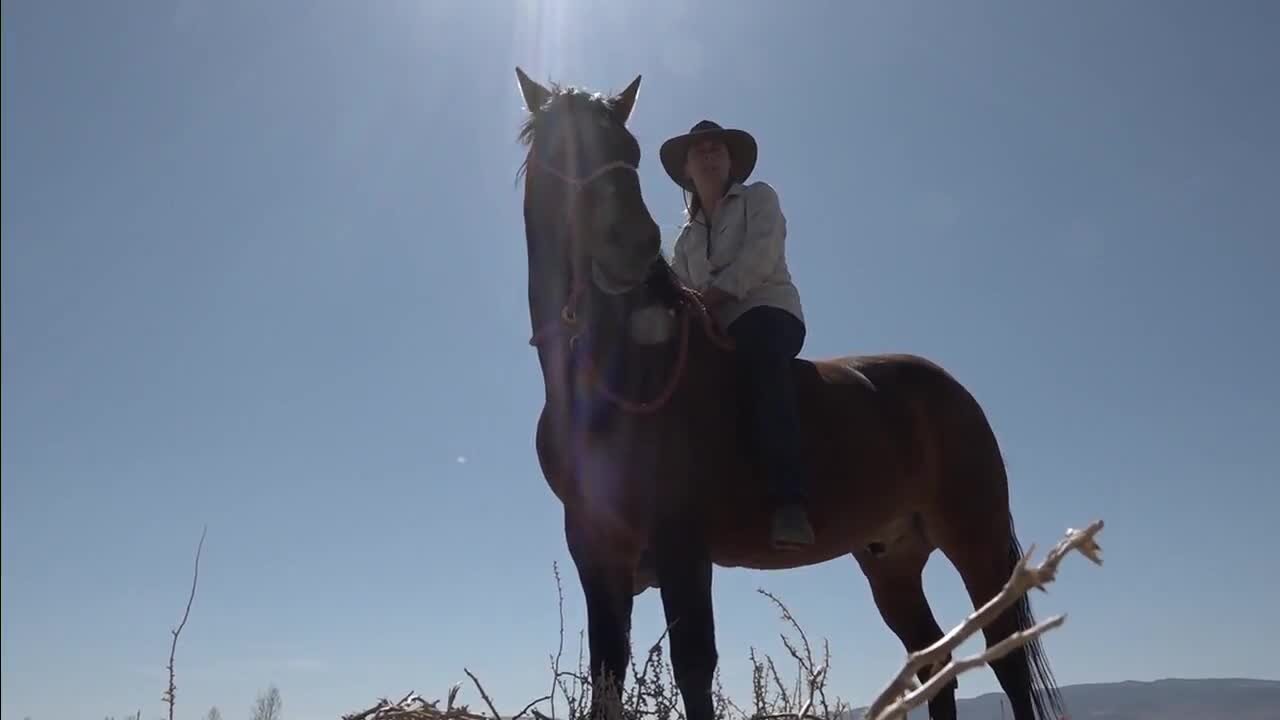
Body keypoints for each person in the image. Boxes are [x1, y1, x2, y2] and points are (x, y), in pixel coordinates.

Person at [660, 119, 815, 550]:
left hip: (767, 310)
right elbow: (676, 291)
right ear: (687, 170)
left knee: (762, 362)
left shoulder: (759, 198)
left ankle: (790, 502)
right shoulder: (685, 241)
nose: (708, 155)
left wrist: (708, 298)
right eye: (699, 151)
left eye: (717, 149)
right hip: (712, 328)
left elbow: (761, 256)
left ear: (730, 161)